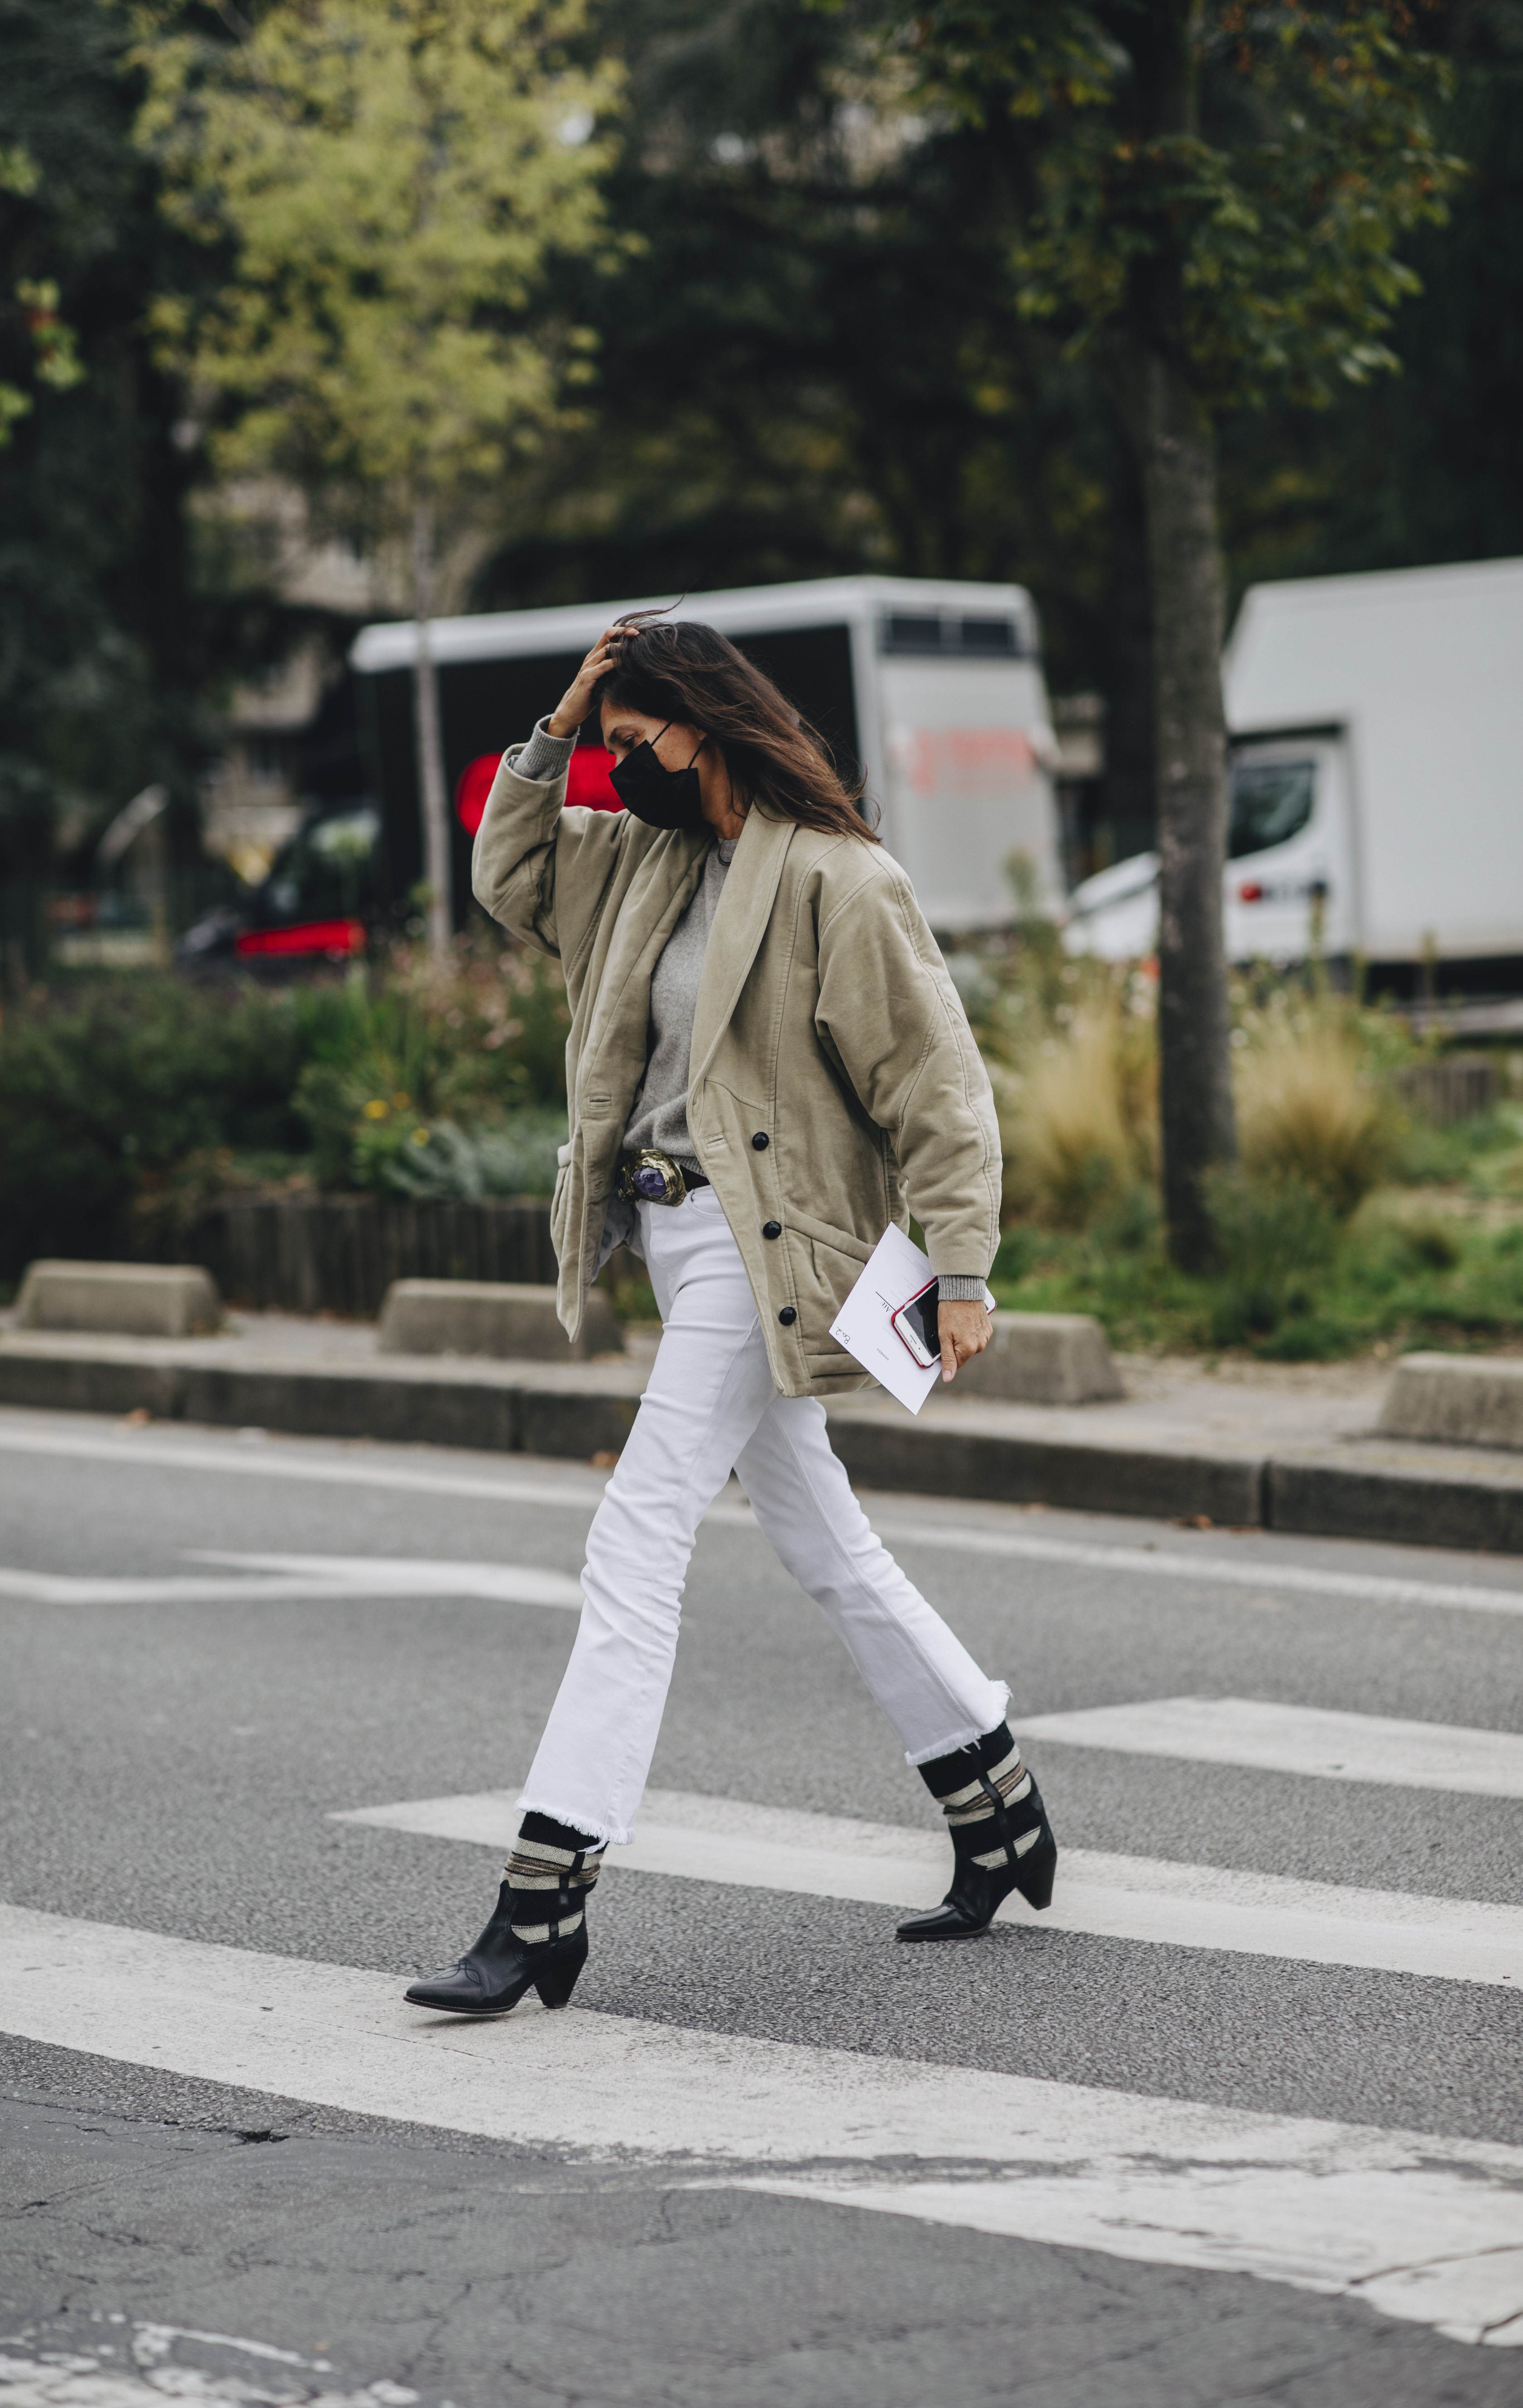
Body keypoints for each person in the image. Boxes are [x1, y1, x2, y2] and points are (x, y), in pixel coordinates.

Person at [406, 615, 1057, 2017]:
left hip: (769, 1250)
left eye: (636, 741)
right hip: (670, 1239)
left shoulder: (837, 879)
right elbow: (508, 877)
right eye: (610, 745)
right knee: (825, 1541)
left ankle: (544, 1894)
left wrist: (962, 1271)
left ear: (704, 727)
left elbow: (937, 1088)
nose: (618, 767)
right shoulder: (639, 861)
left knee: (633, 1539)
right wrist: (568, 715)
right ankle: (994, 1796)